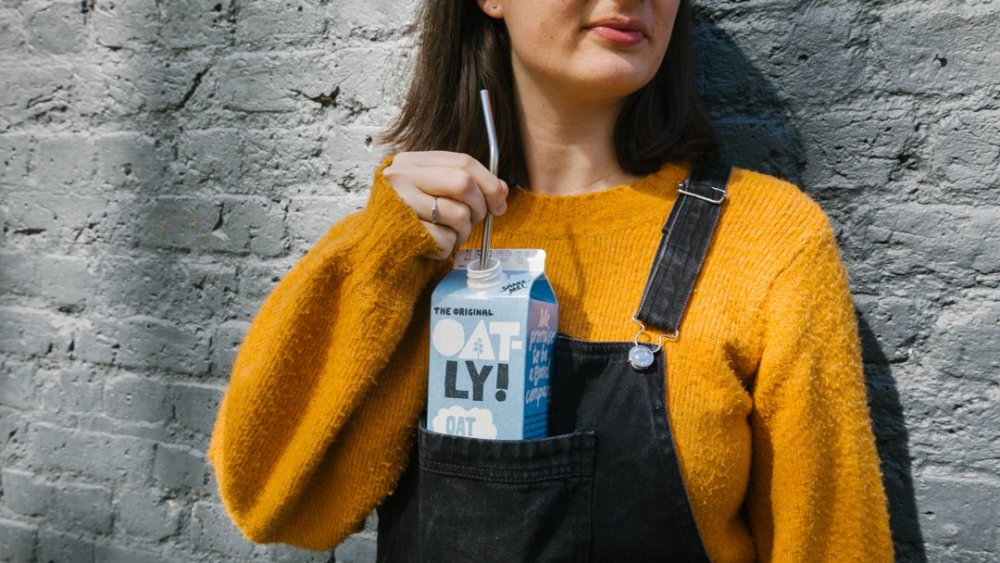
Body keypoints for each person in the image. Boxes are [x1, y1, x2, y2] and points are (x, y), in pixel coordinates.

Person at [209, 0, 894, 561]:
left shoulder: (767, 239)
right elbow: (273, 503)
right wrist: (383, 257)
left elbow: (834, 544)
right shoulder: (416, 239)